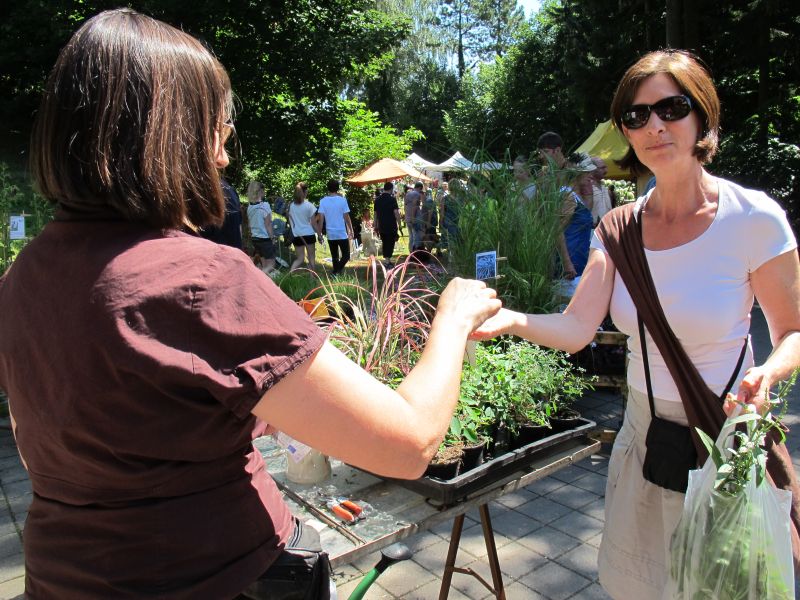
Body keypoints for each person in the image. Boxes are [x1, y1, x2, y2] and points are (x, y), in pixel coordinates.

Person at [0, 10, 502, 599]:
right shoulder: (202, 279)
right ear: (170, 136)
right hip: (219, 577)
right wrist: (451, 320)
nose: (223, 157)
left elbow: (70, 432)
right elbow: (409, 446)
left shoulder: (23, 276)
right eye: (216, 128)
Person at [473, 50, 800, 599]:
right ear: (624, 129)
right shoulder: (617, 228)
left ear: (703, 117)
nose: (654, 126)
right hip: (645, 440)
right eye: (636, 114)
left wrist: (768, 374)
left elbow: (792, 332)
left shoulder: (753, 218)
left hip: (722, 438)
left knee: (723, 588)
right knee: (644, 587)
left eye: (671, 108)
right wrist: (509, 319)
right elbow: (578, 328)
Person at [316, 179, 354, 275]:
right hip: (341, 232)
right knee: (346, 256)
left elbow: (321, 220)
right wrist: (351, 229)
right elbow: (346, 217)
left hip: (330, 233)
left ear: (328, 188)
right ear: (337, 188)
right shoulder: (342, 200)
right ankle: (336, 272)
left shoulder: (323, 201)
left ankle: (335, 272)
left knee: (335, 257)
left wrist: (319, 234)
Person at [287, 181, 322, 271]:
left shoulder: (291, 206)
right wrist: (319, 235)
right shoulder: (309, 206)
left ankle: (289, 274)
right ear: (305, 192)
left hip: (297, 235)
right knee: (311, 258)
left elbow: (290, 221)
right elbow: (314, 223)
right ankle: (312, 277)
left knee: (300, 258)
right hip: (309, 234)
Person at [201, 176, 243, 249]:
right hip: (234, 250)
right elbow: (239, 227)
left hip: (217, 250)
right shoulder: (231, 190)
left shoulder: (205, 191)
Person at [246, 180, 277, 275]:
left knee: (264, 264)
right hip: (265, 239)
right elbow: (268, 225)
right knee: (271, 265)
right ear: (260, 191)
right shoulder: (265, 206)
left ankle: (261, 279)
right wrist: (272, 238)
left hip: (255, 239)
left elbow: (249, 225)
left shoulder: (249, 207)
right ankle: (259, 277)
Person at [373, 181, 401, 266]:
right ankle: (387, 260)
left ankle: (387, 260)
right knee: (391, 242)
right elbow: (396, 212)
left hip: (381, 224)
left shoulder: (377, 200)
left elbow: (375, 214)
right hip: (391, 224)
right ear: (391, 189)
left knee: (385, 242)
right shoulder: (392, 199)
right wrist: (399, 224)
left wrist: (375, 225)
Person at [590, 157, 613, 225]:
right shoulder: (587, 188)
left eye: (605, 167)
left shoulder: (605, 189)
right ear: (592, 169)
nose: (606, 170)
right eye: (602, 168)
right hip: (592, 229)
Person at [404, 181, 423, 251]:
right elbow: (415, 206)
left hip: (408, 217)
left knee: (411, 236)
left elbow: (405, 206)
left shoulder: (407, 194)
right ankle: (415, 252)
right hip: (414, 218)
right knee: (416, 236)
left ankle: (411, 251)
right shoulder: (417, 194)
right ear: (420, 188)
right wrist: (413, 218)